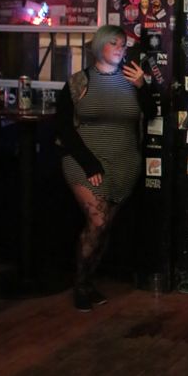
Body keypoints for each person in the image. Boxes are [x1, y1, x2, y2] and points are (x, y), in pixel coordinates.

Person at [56, 25, 156, 312]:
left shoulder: (132, 79)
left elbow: (151, 113)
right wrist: (89, 164)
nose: (120, 48)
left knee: (105, 226)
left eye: (123, 44)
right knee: (98, 221)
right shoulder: (79, 81)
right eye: (114, 43)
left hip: (124, 162)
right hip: (85, 161)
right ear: (100, 46)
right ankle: (80, 285)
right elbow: (64, 127)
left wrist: (143, 87)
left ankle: (88, 282)